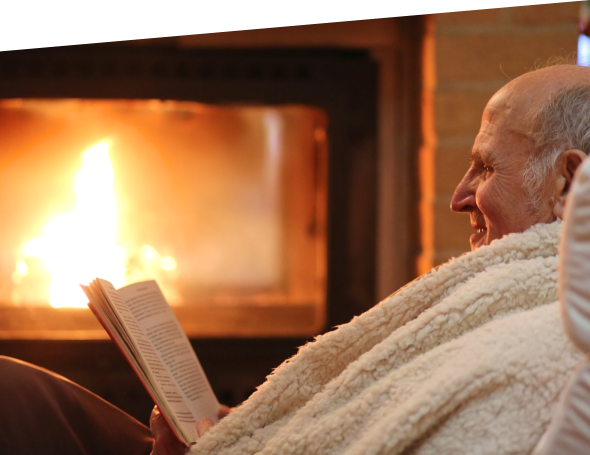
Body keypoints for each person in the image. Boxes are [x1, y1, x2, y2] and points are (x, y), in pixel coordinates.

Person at [0, 62, 588, 455]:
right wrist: (252, 431)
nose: (459, 197)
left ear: (570, 182)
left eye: (485, 168)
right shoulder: (526, 300)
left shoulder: (545, 338)